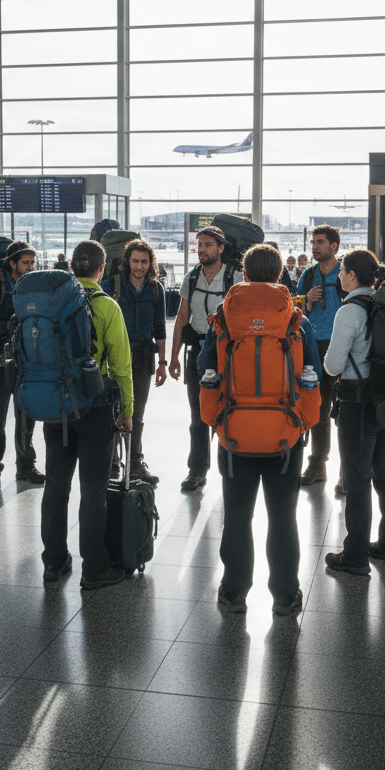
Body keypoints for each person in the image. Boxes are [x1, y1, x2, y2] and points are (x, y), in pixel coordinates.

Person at [197, 244, 321, 615]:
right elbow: (311, 374)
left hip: (234, 433)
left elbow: (207, 370)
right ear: (281, 273)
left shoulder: (224, 317)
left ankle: (234, 593)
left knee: (237, 515)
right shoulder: (297, 320)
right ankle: (285, 595)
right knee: (283, 516)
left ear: (245, 274)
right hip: (285, 434)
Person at [40, 240, 134, 589]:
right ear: (101, 268)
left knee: (56, 485)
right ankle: (94, 567)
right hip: (95, 408)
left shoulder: (53, 303)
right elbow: (122, 366)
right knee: (93, 488)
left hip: (55, 408)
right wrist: (127, 412)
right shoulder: (106, 305)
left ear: (71, 269)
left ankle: (53, 561)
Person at [324, 249, 385, 574]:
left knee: (357, 479)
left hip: (357, 403)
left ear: (352, 274)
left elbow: (332, 366)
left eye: (342, 271)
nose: (339, 277)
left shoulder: (350, 311)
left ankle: (354, 556)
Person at [169, 226, 243, 491]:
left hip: (227, 354)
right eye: (199, 244)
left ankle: (231, 469)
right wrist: (173, 357)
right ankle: (197, 470)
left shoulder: (235, 277)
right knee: (198, 414)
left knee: (230, 411)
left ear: (221, 248)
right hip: (198, 351)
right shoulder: (192, 277)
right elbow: (181, 318)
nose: (202, 249)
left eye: (208, 244)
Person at [0, 240, 45, 491]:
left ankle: (26, 466)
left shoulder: (33, 286)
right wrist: (6, 327)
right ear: (12, 263)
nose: (30, 267)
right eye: (26, 263)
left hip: (27, 360)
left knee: (27, 415)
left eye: (33, 262)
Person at [101, 237, 167, 485]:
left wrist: (162, 362)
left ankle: (136, 464)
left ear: (151, 263)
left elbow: (159, 327)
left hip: (142, 356)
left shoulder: (155, 289)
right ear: (126, 261)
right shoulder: (110, 286)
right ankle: (112, 463)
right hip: (114, 355)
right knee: (111, 413)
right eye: (135, 261)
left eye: (144, 262)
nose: (139, 267)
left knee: (136, 415)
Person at [295, 224, 345, 486]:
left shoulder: (345, 273)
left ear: (334, 246)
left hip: (341, 346)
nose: (315, 247)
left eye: (321, 242)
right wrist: (307, 301)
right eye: (313, 242)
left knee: (344, 408)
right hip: (313, 346)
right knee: (318, 405)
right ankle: (317, 465)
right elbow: (296, 309)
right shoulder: (309, 274)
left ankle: (346, 472)